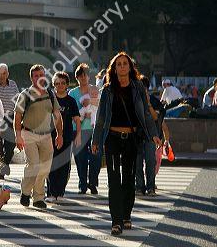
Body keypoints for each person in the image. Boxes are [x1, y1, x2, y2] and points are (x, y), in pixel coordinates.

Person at [91, 52, 160, 236]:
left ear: (130, 67)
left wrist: (153, 134)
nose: (122, 66)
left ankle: (126, 215)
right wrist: (96, 139)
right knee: (114, 180)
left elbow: (145, 113)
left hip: (131, 139)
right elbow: (101, 117)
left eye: (125, 64)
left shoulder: (138, 87)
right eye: (118, 64)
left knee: (129, 180)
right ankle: (116, 221)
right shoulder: (107, 89)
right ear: (114, 68)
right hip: (112, 139)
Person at [14, 64, 63, 209]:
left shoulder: (50, 93)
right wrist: (18, 136)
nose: (39, 77)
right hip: (29, 134)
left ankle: (38, 198)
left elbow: (57, 115)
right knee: (34, 165)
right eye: (36, 75)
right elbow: (17, 117)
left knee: (44, 168)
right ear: (31, 78)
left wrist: (60, 134)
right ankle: (25, 192)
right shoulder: (25, 95)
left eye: (41, 74)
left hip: (46, 136)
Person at [46, 72, 81, 203]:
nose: (59, 85)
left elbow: (77, 119)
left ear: (67, 84)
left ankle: (60, 192)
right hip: (50, 137)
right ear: (53, 85)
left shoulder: (71, 101)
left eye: (62, 83)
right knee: (50, 165)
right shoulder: (49, 99)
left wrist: (78, 135)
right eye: (56, 83)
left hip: (67, 137)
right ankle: (50, 193)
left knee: (64, 166)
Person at [69, 63, 101, 195]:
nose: (83, 78)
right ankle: (82, 184)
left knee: (96, 158)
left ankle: (93, 183)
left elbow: (100, 104)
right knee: (80, 159)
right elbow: (71, 112)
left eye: (85, 75)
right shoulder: (73, 92)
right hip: (78, 130)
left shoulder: (95, 89)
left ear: (89, 76)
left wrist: (90, 106)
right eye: (80, 76)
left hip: (94, 130)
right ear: (77, 77)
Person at [0, 63, 19, 178]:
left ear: (8, 73)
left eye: (4, 73)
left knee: (10, 145)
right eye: (0, 74)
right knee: (0, 145)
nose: (2, 76)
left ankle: (4, 165)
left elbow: (18, 101)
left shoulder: (13, 84)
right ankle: (1, 170)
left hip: (11, 117)